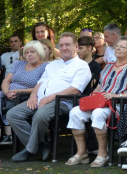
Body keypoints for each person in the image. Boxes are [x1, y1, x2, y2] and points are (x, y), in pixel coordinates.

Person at [7, 33, 92, 162]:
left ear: (76, 46)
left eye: (67, 45)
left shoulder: (82, 66)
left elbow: (75, 89)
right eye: (61, 45)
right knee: (13, 114)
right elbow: (40, 82)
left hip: (62, 102)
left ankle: (30, 150)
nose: (64, 48)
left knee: (40, 116)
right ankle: (41, 145)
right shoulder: (53, 64)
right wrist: (33, 95)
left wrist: (49, 98)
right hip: (40, 100)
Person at [65, 36, 127, 168]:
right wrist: (93, 94)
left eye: (122, 47)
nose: (118, 48)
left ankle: (102, 154)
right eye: (117, 46)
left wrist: (116, 95)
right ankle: (82, 153)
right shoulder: (108, 67)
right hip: (100, 102)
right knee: (75, 112)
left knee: (98, 114)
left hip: (118, 105)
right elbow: (100, 86)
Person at [0, 41, 49, 160]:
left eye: (32, 52)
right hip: (7, 95)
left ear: (40, 53)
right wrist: (6, 92)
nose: (29, 55)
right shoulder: (19, 64)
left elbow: (42, 87)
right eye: (26, 52)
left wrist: (19, 92)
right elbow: (6, 81)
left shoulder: (46, 67)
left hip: (24, 98)